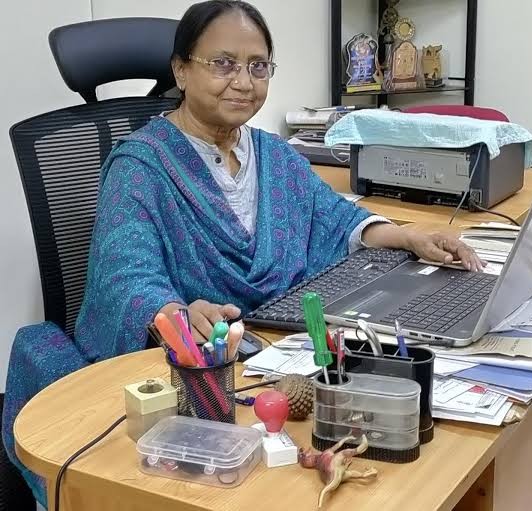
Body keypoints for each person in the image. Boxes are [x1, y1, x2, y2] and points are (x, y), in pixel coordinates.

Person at [2, 1, 483, 505]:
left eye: (258, 66)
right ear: (181, 70)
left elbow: (334, 217)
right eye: (223, 64)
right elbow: (128, 276)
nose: (243, 82)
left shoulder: (274, 154)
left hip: (282, 356)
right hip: (201, 381)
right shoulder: (140, 167)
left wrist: (408, 235)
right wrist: (175, 313)